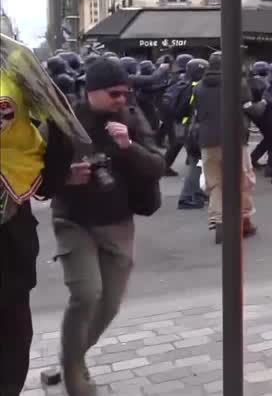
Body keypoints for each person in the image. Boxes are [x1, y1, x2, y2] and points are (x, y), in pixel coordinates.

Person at [51, 58, 164, 395]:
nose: (121, 99)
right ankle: (74, 374)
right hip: (74, 219)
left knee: (110, 304)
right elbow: (39, 171)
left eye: (125, 92)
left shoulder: (130, 117)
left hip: (118, 221)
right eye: (114, 93)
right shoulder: (66, 119)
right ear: (91, 92)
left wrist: (128, 148)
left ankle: (73, 355)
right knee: (86, 293)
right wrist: (65, 177)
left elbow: (157, 164)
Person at [0, 33, 81, 396]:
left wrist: (48, 180)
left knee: (10, 328)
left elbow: (62, 121)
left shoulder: (13, 58)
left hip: (7, 222)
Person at [192, 52, 261, 244]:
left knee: (215, 182)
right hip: (235, 139)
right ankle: (245, 220)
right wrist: (262, 104)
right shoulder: (238, 83)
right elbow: (249, 109)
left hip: (208, 140)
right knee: (243, 179)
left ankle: (218, 220)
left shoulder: (198, 87)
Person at [177, 59, 210, 211]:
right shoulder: (197, 87)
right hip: (194, 129)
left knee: (198, 163)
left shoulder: (185, 84)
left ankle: (196, 192)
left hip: (188, 128)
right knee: (196, 164)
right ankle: (187, 196)